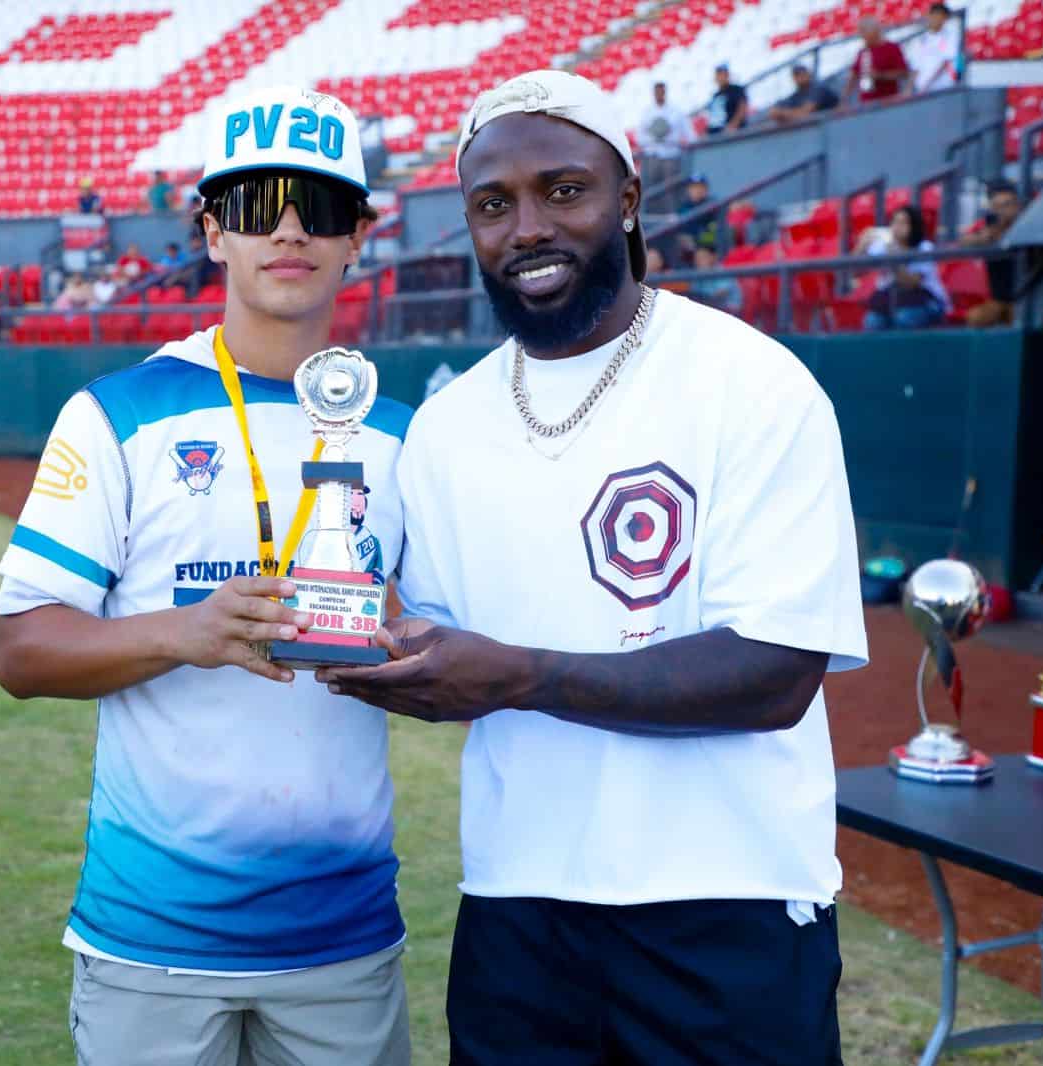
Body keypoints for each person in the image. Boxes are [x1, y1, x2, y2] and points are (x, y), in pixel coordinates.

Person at [319, 69, 867, 1066]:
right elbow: (456, 663)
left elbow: (777, 671)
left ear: (626, 200)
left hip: (726, 904)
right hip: (517, 907)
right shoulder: (445, 428)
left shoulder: (750, 383)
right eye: (493, 204)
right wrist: (364, 654)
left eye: (560, 189)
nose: (525, 226)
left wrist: (522, 674)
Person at [0, 84, 412, 1066]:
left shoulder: (399, 433)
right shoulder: (116, 414)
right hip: (152, 938)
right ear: (213, 232)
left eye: (323, 208)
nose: (292, 230)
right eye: (261, 205)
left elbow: (447, 646)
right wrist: (183, 632)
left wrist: (398, 642)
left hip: (342, 937)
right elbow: (18, 649)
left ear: (359, 238)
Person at [857, 204, 948, 329]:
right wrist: (861, 247)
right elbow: (857, 272)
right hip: (891, 301)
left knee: (904, 318)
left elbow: (912, 282)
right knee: (873, 321)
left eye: (903, 223)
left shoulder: (925, 247)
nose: (897, 227)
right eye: (895, 222)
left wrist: (893, 259)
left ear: (914, 226)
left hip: (925, 301)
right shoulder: (884, 244)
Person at [958, 178, 1022, 327]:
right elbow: (963, 241)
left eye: (1006, 205)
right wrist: (984, 238)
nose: (1002, 211)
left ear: (1017, 206)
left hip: (1024, 297)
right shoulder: (988, 227)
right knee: (974, 318)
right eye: (996, 206)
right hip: (997, 299)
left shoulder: (1025, 224)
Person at [636, 82, 691, 210]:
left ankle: (672, 217)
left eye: (661, 91)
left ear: (665, 92)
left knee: (671, 189)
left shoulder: (676, 111)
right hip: (652, 156)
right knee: (651, 189)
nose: (659, 94)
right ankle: (653, 219)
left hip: (671, 156)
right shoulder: (647, 112)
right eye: (657, 91)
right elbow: (640, 136)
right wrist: (654, 139)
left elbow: (688, 133)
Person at [846, 17, 913, 105]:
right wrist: (844, 101)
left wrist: (880, 75)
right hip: (866, 104)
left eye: (863, 31)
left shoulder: (891, 48)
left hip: (889, 102)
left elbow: (904, 73)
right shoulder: (862, 52)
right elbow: (853, 76)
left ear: (874, 31)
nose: (861, 36)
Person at [765, 64, 840, 125]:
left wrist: (782, 113)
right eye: (796, 75)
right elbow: (773, 112)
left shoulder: (819, 88)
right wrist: (780, 113)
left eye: (802, 74)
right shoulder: (797, 95)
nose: (800, 77)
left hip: (836, 124)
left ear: (808, 74)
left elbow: (804, 114)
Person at [910, 3, 960, 93]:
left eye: (941, 16)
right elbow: (916, 66)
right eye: (934, 15)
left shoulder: (950, 36)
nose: (937, 19)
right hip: (922, 90)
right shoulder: (920, 39)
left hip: (943, 88)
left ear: (945, 19)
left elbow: (946, 62)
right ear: (929, 15)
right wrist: (909, 88)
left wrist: (928, 84)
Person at [687, 241, 743, 315]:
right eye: (696, 258)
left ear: (714, 257)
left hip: (729, 313)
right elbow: (694, 295)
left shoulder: (723, 272)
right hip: (708, 310)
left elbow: (718, 296)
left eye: (703, 257)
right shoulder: (697, 275)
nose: (699, 261)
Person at [704, 64, 748, 136]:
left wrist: (733, 125)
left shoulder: (736, 89)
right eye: (718, 75)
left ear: (727, 75)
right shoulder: (715, 95)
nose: (720, 78)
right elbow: (712, 116)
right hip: (715, 132)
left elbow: (742, 108)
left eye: (722, 74)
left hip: (732, 133)